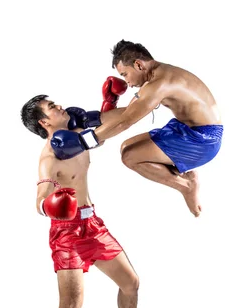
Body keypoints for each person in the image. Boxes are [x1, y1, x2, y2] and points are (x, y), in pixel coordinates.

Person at [20, 94, 157, 308]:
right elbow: (39, 200)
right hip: (66, 232)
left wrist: (116, 99)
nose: (59, 105)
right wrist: (50, 205)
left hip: (93, 225)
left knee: (131, 283)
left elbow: (111, 126)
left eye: (56, 101)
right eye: (51, 107)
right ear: (44, 122)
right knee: (70, 307)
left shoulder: (75, 137)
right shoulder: (50, 156)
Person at [49, 40, 223, 217]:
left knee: (130, 157)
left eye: (125, 74)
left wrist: (83, 142)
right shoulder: (158, 76)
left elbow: (125, 122)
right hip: (186, 128)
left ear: (138, 65)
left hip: (203, 140)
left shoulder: (159, 84)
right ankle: (184, 173)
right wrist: (88, 119)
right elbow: (128, 112)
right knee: (126, 146)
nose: (128, 83)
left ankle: (185, 185)